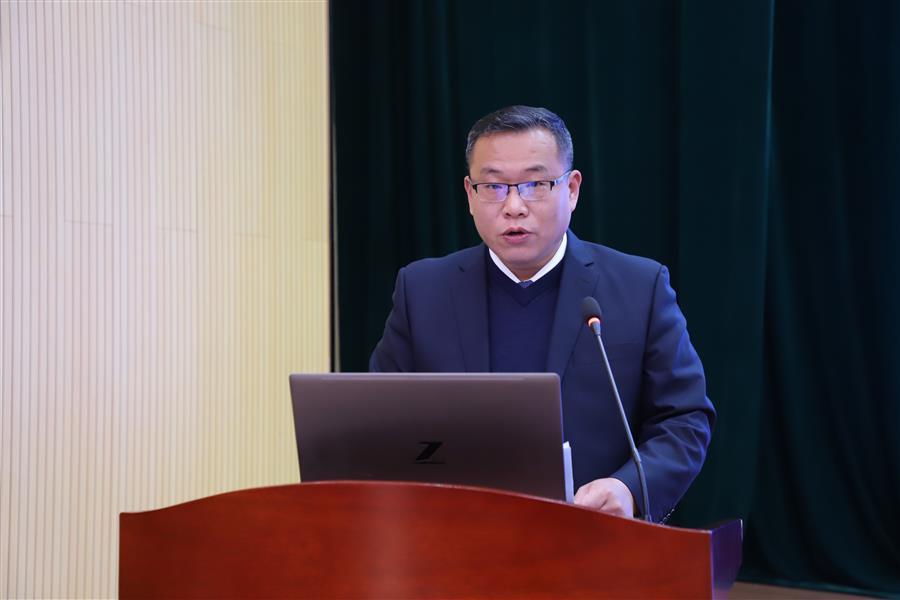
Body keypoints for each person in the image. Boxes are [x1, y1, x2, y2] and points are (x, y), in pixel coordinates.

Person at [370, 105, 715, 522]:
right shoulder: (423, 290)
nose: (514, 206)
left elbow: (684, 419)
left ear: (571, 189)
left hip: (593, 538)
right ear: (469, 194)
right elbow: (380, 421)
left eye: (535, 184)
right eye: (493, 186)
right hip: (454, 536)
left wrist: (629, 488)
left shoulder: (640, 287)